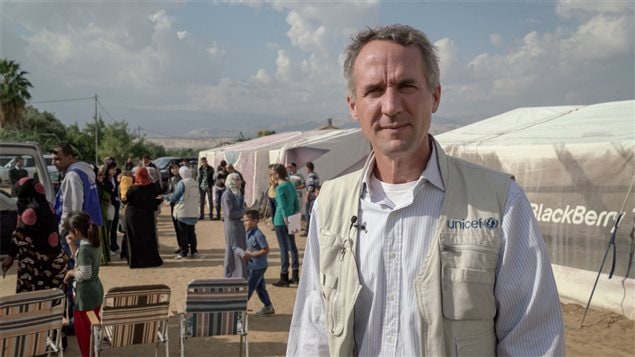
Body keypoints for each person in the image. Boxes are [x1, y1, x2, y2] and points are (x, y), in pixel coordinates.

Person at [287, 24, 564, 356]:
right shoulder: (329, 206)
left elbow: (533, 341)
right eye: (374, 90)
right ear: (353, 106)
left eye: (406, 86)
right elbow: (313, 331)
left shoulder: (499, 202)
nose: (391, 105)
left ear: (435, 96)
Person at [1, 177, 68, 293]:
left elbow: (20, 237)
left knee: (33, 304)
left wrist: (10, 257)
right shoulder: (48, 206)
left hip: (36, 269)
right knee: (53, 303)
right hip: (56, 265)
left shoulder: (29, 213)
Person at [63, 211, 104, 357]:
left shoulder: (85, 249)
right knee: (93, 328)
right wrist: (72, 245)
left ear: (76, 231)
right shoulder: (93, 243)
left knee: (84, 333)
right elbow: (81, 261)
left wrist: (71, 273)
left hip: (85, 296)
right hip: (96, 292)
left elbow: (84, 273)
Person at [122, 167, 163, 268]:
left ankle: (135, 262)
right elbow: (158, 199)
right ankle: (150, 261)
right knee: (148, 238)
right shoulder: (152, 186)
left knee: (134, 238)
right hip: (147, 216)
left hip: (133, 216)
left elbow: (125, 200)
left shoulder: (133, 188)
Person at [239, 209, 275, 316]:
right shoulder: (247, 232)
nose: (245, 223)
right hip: (252, 265)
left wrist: (252, 255)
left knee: (249, 288)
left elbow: (266, 249)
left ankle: (240, 309)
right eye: (244, 220)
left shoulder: (258, 235)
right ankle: (268, 306)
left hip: (258, 266)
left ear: (255, 221)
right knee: (260, 288)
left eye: (247, 220)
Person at [270, 164, 300, 287]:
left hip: (281, 221)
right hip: (292, 217)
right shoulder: (290, 185)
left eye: (272, 173)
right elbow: (296, 202)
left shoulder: (280, 188)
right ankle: (295, 274)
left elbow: (282, 207)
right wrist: (294, 218)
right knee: (292, 247)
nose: (271, 176)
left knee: (283, 249)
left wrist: (286, 220)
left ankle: (284, 276)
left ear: (277, 174)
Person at [161, 166, 200, 259]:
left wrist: (164, 197)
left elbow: (175, 197)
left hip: (183, 211)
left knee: (183, 232)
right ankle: (194, 251)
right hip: (193, 211)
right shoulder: (195, 183)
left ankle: (183, 251)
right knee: (191, 232)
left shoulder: (182, 183)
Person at [221, 172, 247, 278]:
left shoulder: (238, 193)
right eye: (238, 180)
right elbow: (229, 213)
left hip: (240, 224)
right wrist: (243, 212)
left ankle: (240, 273)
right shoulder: (227, 194)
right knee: (233, 248)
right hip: (232, 225)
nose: (240, 182)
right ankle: (231, 273)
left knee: (241, 247)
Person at [167, 163, 183, 252]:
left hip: (181, 204)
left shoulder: (183, 179)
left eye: (176, 168)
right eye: (172, 168)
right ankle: (180, 245)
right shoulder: (170, 179)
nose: (174, 170)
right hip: (173, 204)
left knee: (182, 226)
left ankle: (185, 245)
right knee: (176, 226)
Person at [304, 162, 319, 236]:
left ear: (308, 168)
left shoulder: (310, 176)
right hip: (314, 197)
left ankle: (308, 231)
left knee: (308, 215)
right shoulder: (315, 175)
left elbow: (310, 188)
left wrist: (306, 198)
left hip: (310, 198)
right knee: (312, 214)